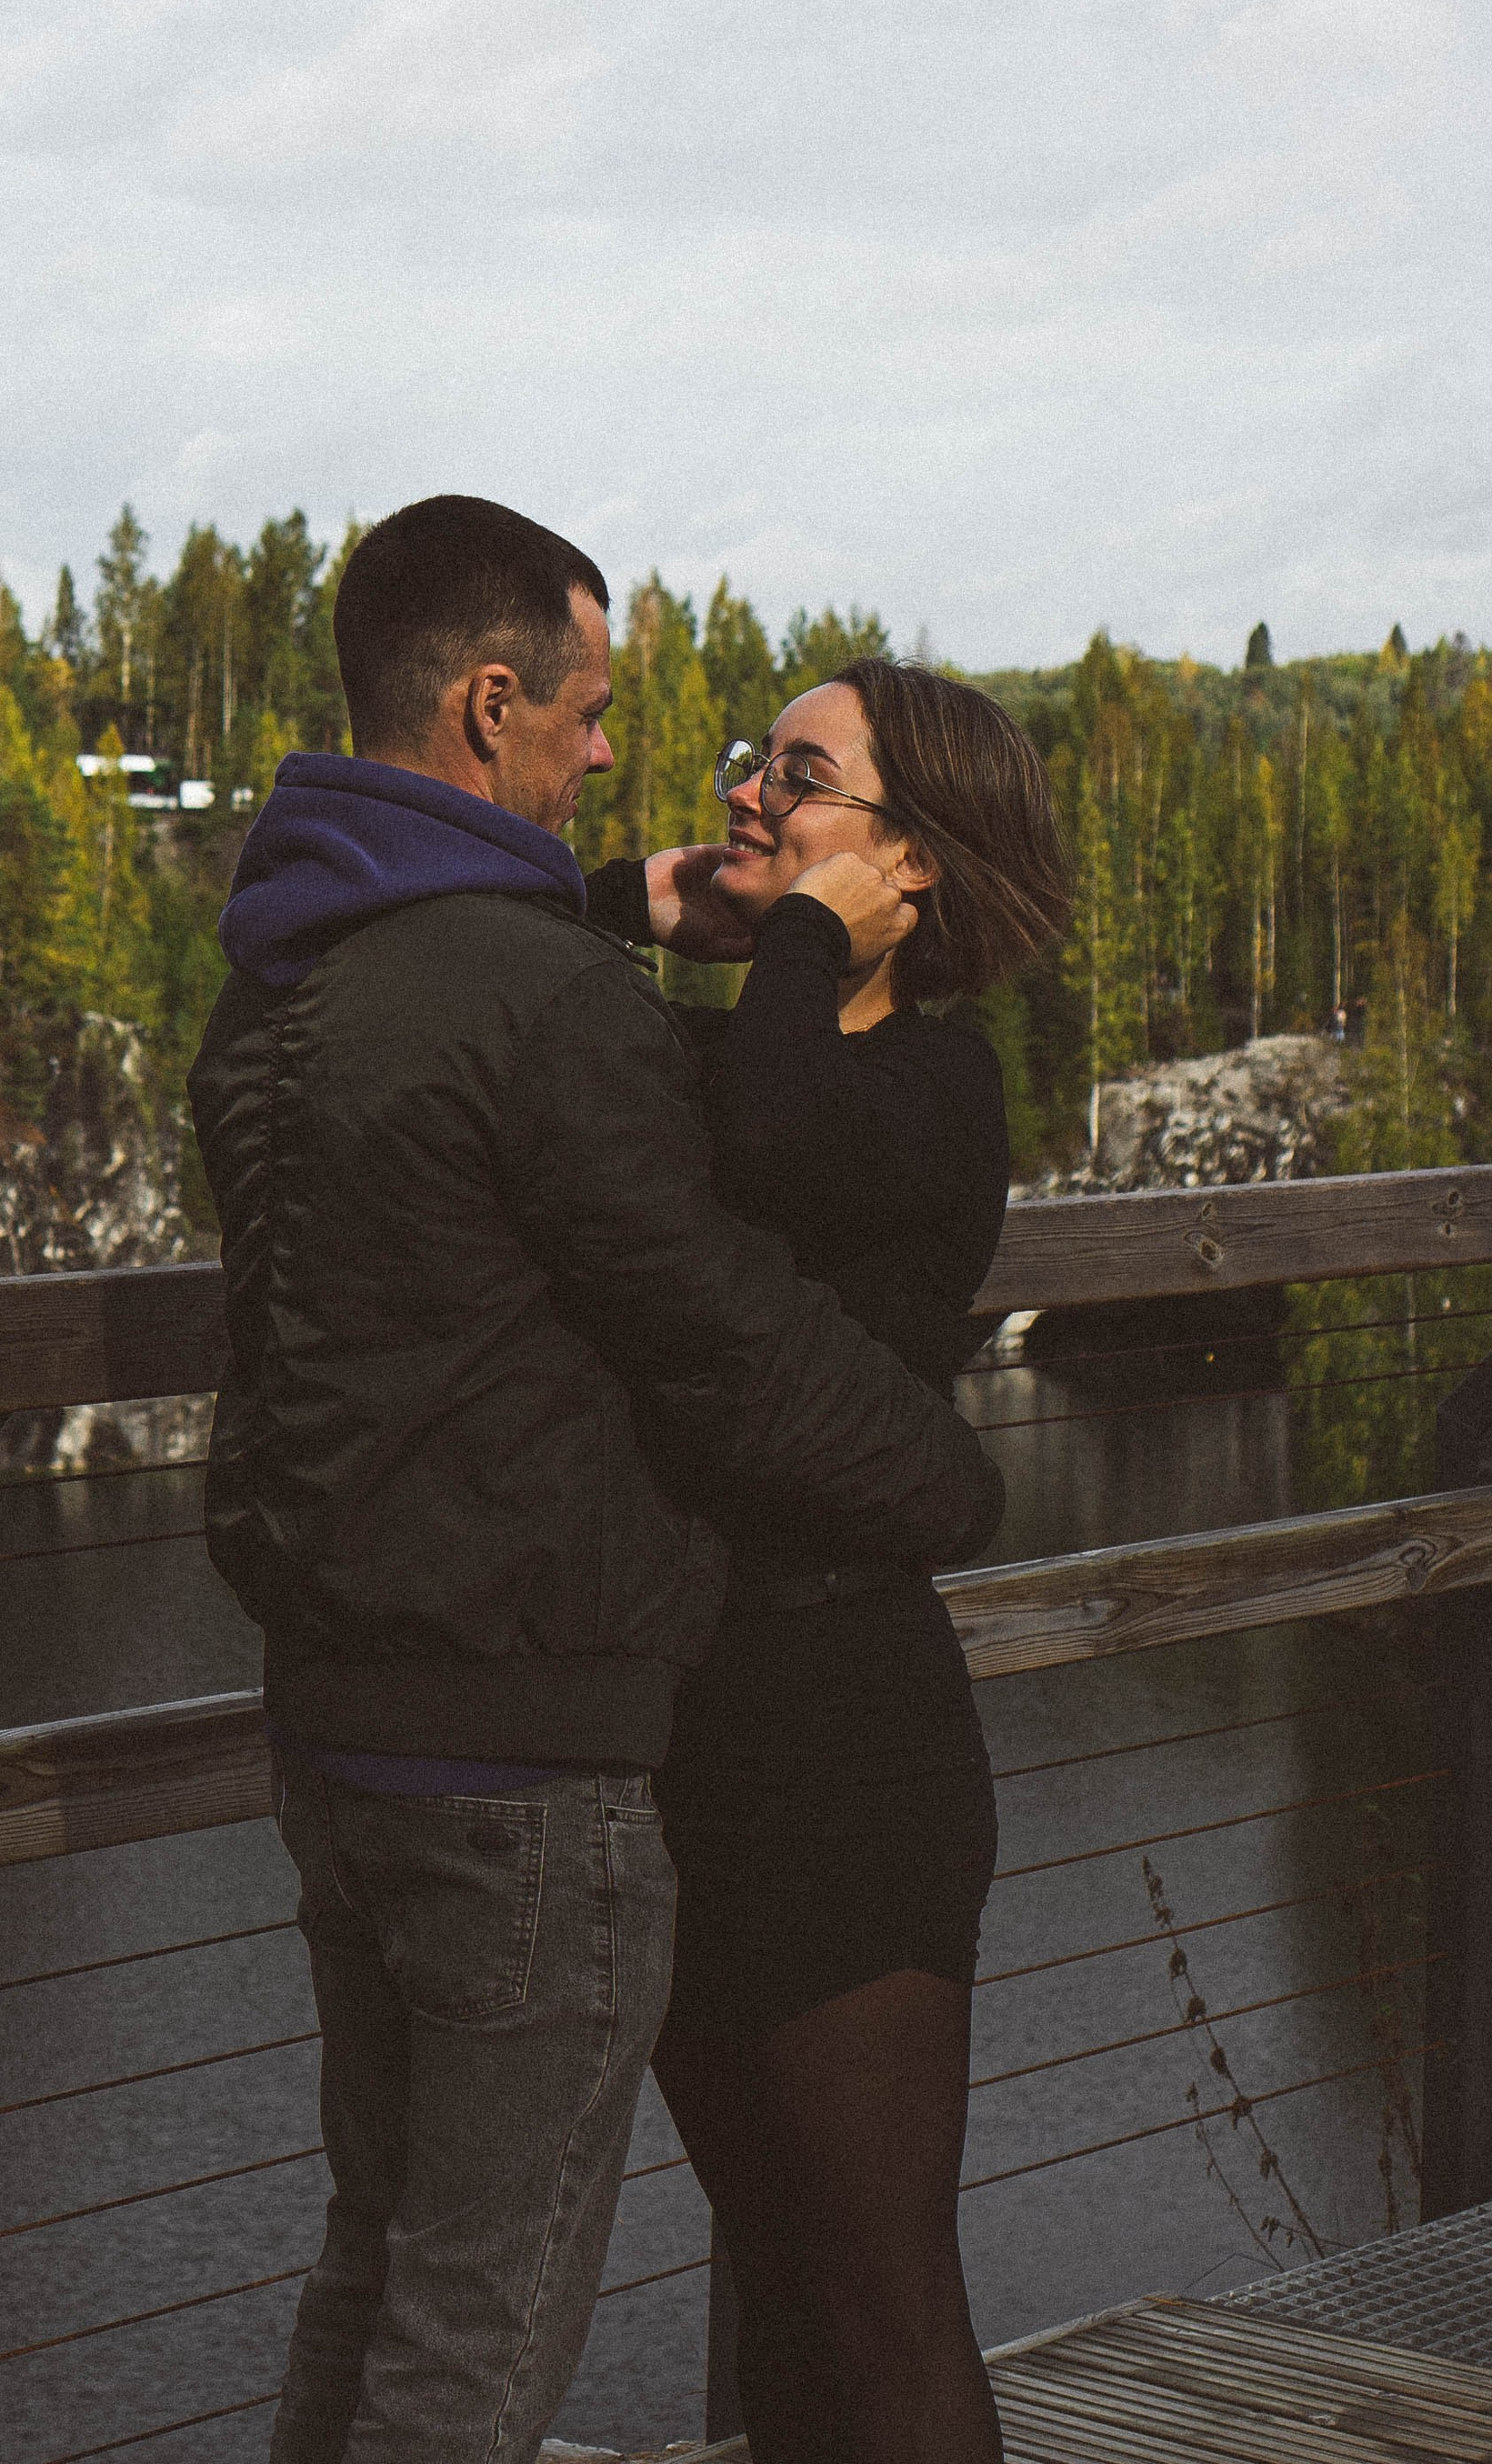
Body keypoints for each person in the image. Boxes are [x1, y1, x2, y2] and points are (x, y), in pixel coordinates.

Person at [189, 500, 1006, 2464]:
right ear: (490, 704)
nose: (653, 762)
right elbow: (705, 1290)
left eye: (794, 775)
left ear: (911, 857)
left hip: (650, 1726)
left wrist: (684, 932)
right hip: (570, 1731)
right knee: (483, 2318)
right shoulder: (556, 1006)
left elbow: (751, 1183)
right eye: (594, 707)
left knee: (459, 2275)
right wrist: (957, 1490)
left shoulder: (288, 979)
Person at [584, 658, 1067, 2464]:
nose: (743, 799)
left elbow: (780, 1140)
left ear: (910, 860)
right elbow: (449, 986)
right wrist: (623, 902)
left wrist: (786, 948)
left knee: (879, 2303)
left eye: (800, 778)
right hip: (687, 1733)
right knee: (774, 2271)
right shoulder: (724, 1043)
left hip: (844, 1749)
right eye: (746, 764)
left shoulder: (933, 1087)